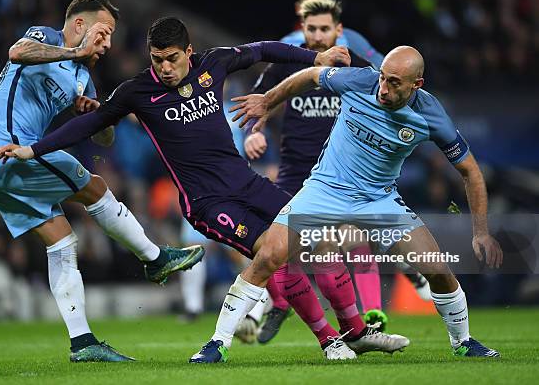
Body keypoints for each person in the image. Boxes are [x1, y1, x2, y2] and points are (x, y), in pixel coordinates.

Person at [0, 17, 409, 361]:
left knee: (318, 241)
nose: (164, 68)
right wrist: (33, 149)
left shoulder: (216, 63)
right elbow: (90, 125)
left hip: (248, 183)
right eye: (157, 60)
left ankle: (355, 332)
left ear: (189, 53)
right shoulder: (138, 91)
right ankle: (328, 340)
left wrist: (313, 56)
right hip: (208, 203)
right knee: (277, 253)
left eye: (171, 59)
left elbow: (263, 48)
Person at [200, 45, 503, 362]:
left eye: (395, 83)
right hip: (324, 190)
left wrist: (481, 232)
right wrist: (269, 101)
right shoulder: (360, 81)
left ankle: (463, 342)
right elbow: (310, 74)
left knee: (437, 270)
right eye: (383, 78)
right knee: (269, 256)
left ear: (417, 84)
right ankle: (217, 344)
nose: (383, 89)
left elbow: (471, 172)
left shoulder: (431, 116)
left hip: (379, 199)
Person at [0, 0, 205, 363]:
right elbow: (18, 52)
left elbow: (103, 138)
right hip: (6, 150)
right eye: (104, 33)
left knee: (62, 241)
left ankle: (83, 343)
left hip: (0, 166)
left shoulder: (82, 77)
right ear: (80, 26)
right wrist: (73, 51)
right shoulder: (45, 38)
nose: (108, 44)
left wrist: (97, 114)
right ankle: (155, 257)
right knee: (94, 186)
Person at [246, 0, 390, 344]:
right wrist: (255, 133)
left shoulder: (357, 68)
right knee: (273, 246)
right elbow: (259, 102)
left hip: (341, 175)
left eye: (325, 29)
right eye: (311, 29)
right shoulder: (288, 63)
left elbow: (385, 108)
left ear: (339, 31)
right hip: (295, 172)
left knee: (352, 241)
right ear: (302, 29)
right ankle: (280, 304)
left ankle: (372, 315)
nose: (318, 35)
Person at [281, 0, 384, 69]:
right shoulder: (285, 45)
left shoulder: (349, 38)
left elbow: (382, 67)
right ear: (298, 8)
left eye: (323, 4)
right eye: (311, 5)